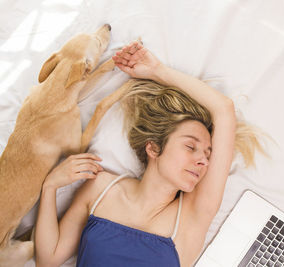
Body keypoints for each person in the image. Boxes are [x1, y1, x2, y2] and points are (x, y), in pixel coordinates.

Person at [34, 40, 264, 267]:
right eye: (190, 147)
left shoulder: (192, 216)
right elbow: (49, 258)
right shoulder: (100, 188)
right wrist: (50, 187)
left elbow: (224, 110)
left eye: (207, 154)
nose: (203, 160)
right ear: (153, 148)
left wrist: (158, 71)